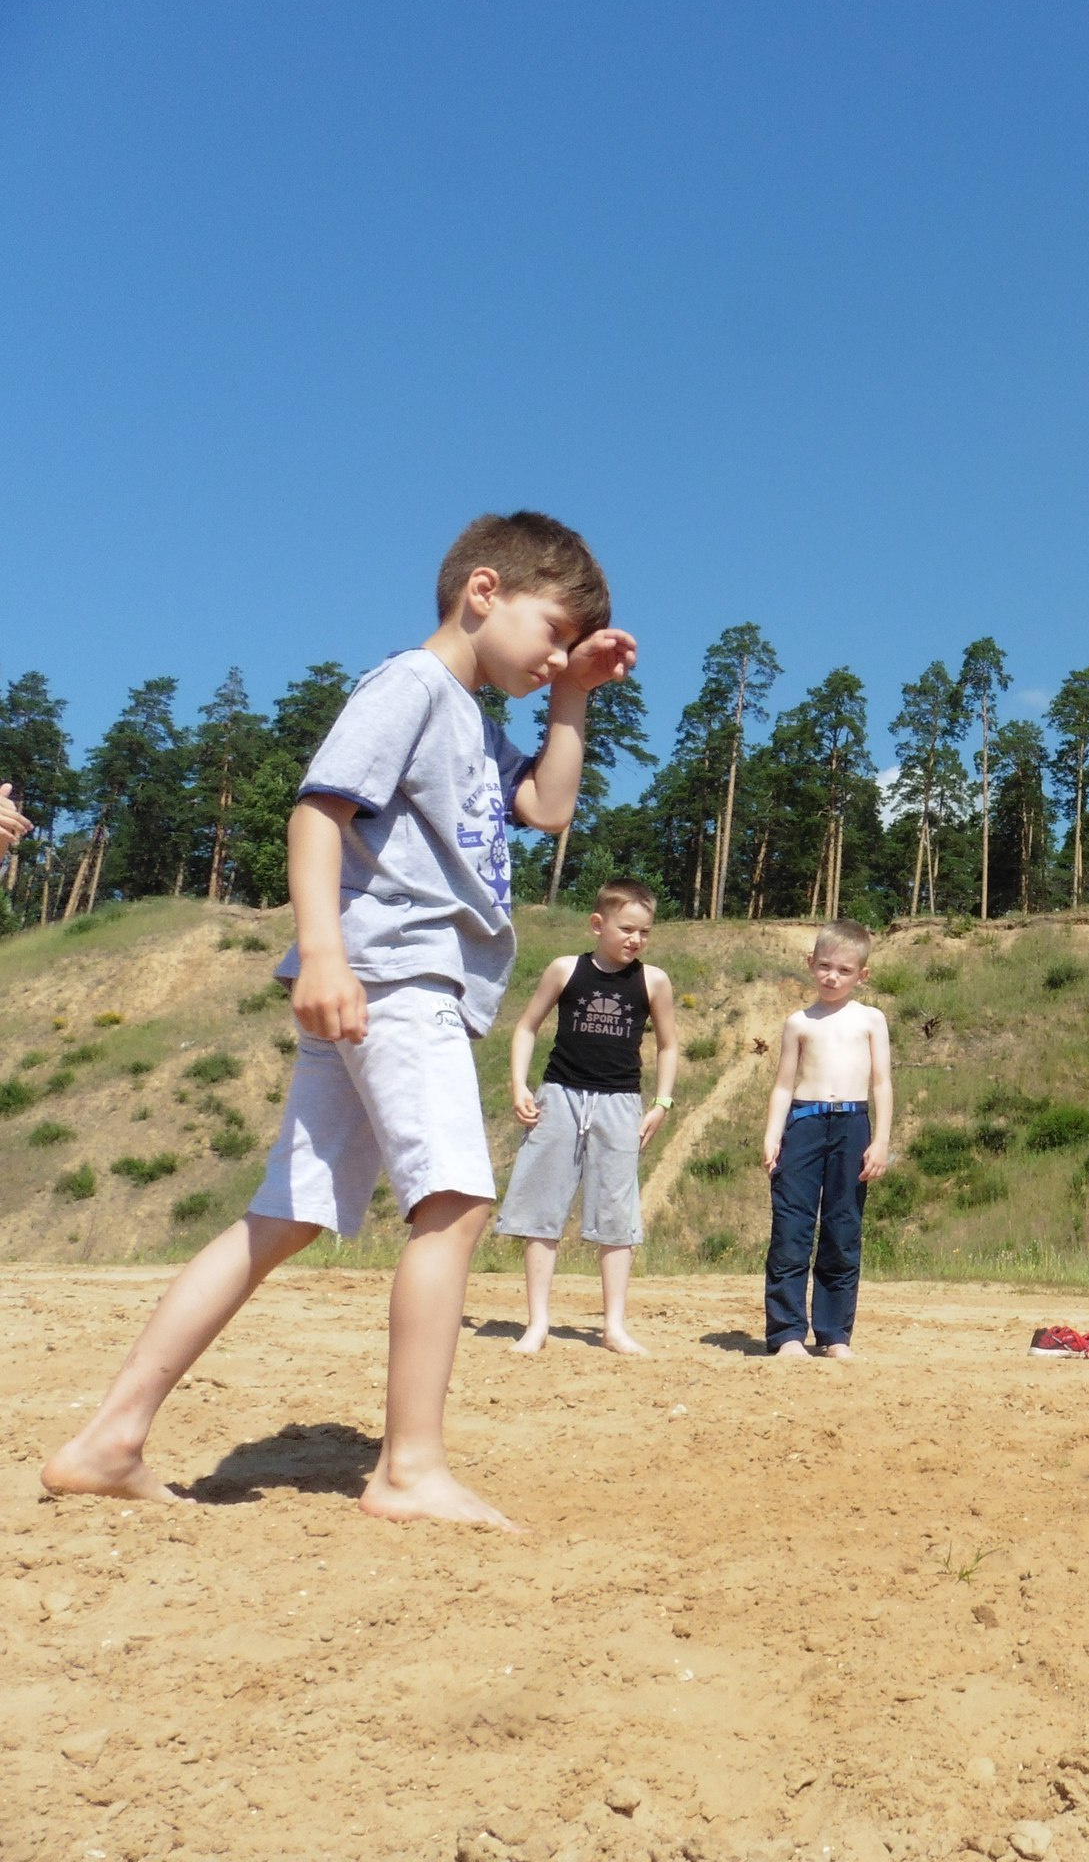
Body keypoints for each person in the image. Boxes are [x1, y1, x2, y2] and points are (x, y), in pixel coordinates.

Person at [42, 512, 633, 1528]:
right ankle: (409, 1469)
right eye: (551, 630)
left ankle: (112, 1438)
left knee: (285, 1216)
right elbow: (317, 812)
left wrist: (572, 696)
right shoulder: (409, 686)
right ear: (483, 591)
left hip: (382, 988)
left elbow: (544, 809)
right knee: (453, 1201)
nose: (553, 654)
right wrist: (321, 951)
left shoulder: (476, 722)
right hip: (394, 980)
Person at [493, 876, 680, 1357]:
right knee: (541, 1213)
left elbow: (668, 1044)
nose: (635, 939)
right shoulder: (565, 970)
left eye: (644, 932)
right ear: (598, 924)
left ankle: (613, 1327)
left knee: (618, 1216)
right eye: (626, 929)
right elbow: (526, 1026)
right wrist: (519, 1085)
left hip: (621, 1105)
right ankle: (537, 1325)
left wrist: (662, 1102)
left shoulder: (652, 980)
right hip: (559, 1098)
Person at [761, 920, 894, 1358]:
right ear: (810, 964)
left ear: (862, 975)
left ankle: (835, 1334)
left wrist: (881, 1141)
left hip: (853, 1125)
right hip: (804, 1124)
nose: (832, 977)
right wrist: (772, 1135)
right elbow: (783, 1084)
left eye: (843, 970)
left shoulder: (871, 1019)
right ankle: (787, 1334)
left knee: (842, 1229)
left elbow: (881, 1083)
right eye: (824, 966)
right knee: (791, 1229)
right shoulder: (798, 1022)